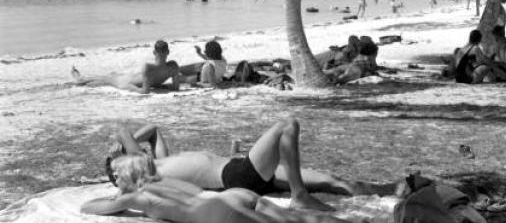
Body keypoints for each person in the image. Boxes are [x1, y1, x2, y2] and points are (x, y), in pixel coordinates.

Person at [103, 120, 396, 210]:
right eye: (121, 160)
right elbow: (122, 131)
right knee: (287, 127)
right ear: (122, 167)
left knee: (329, 180)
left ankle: (390, 189)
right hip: (237, 175)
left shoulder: (158, 161)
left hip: (243, 169)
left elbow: (153, 129)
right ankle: (299, 197)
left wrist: (135, 147)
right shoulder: (142, 168)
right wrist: (118, 152)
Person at [83, 152, 354, 223]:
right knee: (297, 219)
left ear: (129, 176)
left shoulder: (138, 196)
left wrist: (119, 195)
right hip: (233, 196)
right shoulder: (162, 180)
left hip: (219, 211)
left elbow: (90, 207)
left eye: (117, 174)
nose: (114, 179)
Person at [71, 40, 179, 94]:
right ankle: (78, 77)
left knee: (105, 79)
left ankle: (78, 75)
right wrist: (159, 86)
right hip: (126, 82)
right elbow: (175, 88)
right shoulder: (173, 66)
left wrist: (157, 86)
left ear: (154, 52)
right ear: (168, 52)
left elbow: (144, 91)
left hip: (130, 80)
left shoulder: (149, 67)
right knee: (99, 79)